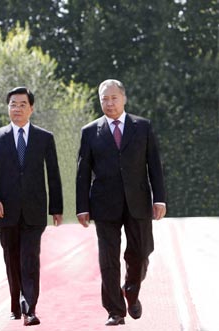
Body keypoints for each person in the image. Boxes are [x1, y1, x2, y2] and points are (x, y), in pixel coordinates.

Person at [75, 79, 166, 326]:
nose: (109, 103)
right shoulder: (90, 131)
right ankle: (115, 310)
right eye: (104, 98)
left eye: (114, 98)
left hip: (138, 202)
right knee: (108, 259)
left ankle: (131, 290)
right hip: (104, 204)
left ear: (124, 98)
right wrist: (81, 207)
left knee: (141, 253)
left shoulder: (143, 127)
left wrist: (160, 199)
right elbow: (83, 172)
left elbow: (154, 167)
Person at [0, 87, 63, 326]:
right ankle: (15, 303)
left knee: (30, 259)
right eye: (13, 104)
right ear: (8, 108)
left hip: (35, 211)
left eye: (22, 104)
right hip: (5, 210)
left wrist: (56, 207)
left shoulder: (44, 138)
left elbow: (54, 174)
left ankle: (30, 308)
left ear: (31, 108)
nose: (17, 109)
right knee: (12, 259)